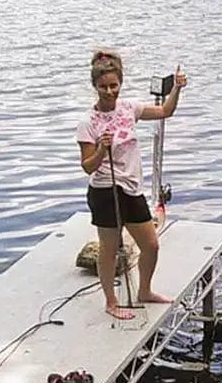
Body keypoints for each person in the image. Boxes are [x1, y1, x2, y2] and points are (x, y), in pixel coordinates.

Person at [75, 50, 187, 320]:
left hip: (132, 189)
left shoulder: (129, 109)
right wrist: (102, 150)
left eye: (114, 85)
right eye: (103, 87)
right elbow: (88, 166)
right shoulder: (87, 123)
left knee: (151, 245)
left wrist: (177, 89)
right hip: (105, 191)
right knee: (110, 251)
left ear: (120, 83)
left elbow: (165, 111)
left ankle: (144, 291)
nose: (109, 91)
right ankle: (111, 302)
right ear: (95, 87)